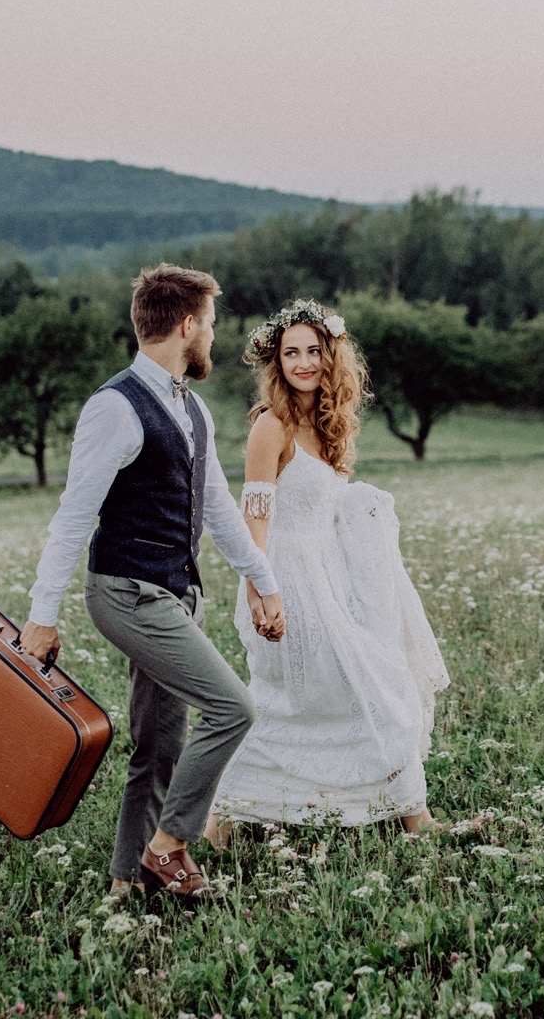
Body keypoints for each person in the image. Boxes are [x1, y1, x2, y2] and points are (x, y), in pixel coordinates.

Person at [19, 263, 284, 904]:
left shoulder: (191, 407)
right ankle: (169, 846)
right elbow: (73, 518)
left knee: (162, 744)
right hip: (127, 594)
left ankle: (126, 882)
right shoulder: (114, 407)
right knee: (233, 708)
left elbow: (216, 507)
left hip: (178, 594)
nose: (214, 337)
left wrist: (264, 582)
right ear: (187, 325)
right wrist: (41, 615)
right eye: (211, 324)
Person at [204, 298, 449, 840]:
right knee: (313, 697)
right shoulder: (272, 426)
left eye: (314, 351)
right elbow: (255, 516)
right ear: (277, 362)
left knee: (359, 689)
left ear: (331, 357)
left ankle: (412, 814)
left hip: (333, 579)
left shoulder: (327, 425)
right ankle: (219, 823)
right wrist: (260, 590)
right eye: (291, 353)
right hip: (287, 580)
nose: (304, 362)